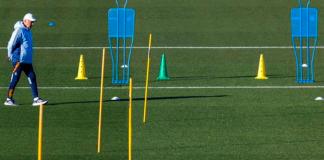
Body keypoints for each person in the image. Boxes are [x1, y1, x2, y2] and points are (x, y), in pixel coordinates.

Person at [4, 13, 48, 106]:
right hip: (19, 60)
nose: (32, 24)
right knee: (15, 79)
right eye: (31, 22)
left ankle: (36, 99)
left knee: (32, 77)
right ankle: (8, 99)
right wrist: (9, 55)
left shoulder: (28, 31)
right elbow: (11, 43)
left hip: (26, 60)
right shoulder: (19, 30)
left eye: (33, 22)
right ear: (25, 21)